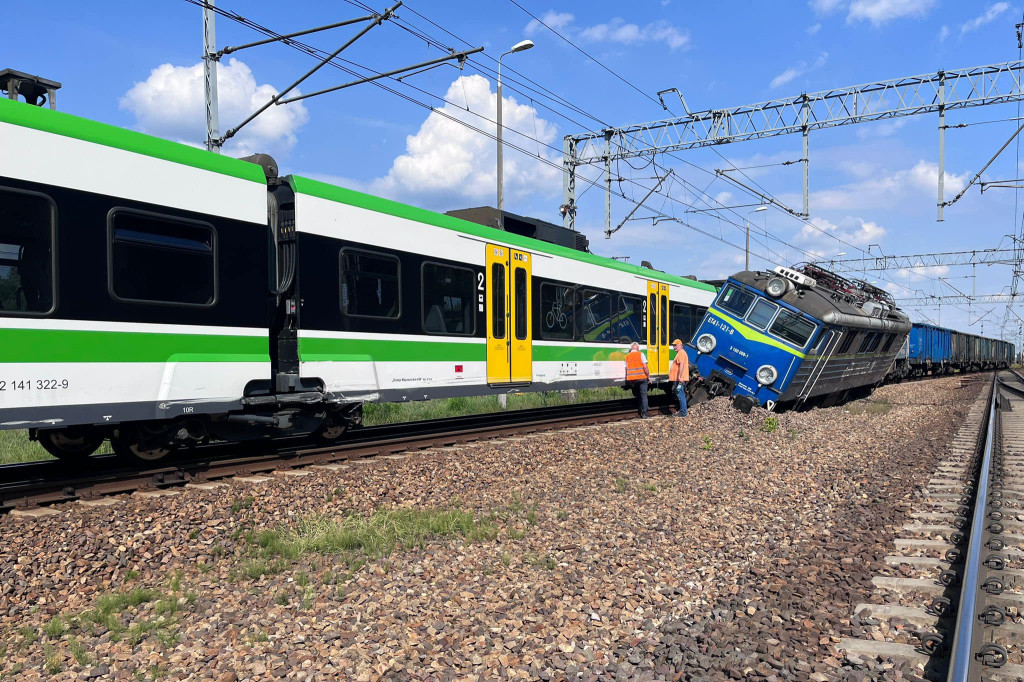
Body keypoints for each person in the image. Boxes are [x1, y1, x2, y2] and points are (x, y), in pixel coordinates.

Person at [624, 341, 650, 418]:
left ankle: (640, 408)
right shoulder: (641, 354)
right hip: (642, 378)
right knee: (644, 395)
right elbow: (645, 367)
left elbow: (626, 369)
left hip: (632, 379)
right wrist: (648, 376)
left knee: (638, 395)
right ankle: (644, 413)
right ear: (637, 348)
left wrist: (627, 378)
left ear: (631, 348)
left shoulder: (627, 356)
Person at [668, 338, 689, 417]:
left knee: (680, 394)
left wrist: (679, 376)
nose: (674, 347)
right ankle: (683, 411)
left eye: (675, 345)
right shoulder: (680, 353)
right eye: (674, 345)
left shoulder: (681, 353)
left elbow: (682, 365)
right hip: (679, 378)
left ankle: (683, 412)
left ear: (680, 346)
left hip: (680, 378)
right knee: (680, 394)